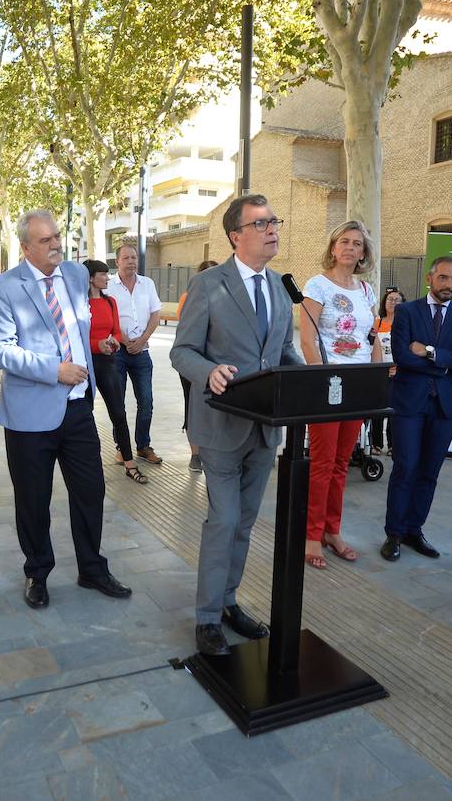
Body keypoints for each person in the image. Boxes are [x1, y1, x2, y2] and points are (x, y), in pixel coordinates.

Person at [171, 194, 302, 656]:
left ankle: (228, 603)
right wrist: (209, 371)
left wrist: (306, 376)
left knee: (244, 523)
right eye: (261, 223)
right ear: (236, 235)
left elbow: (284, 351)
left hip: (266, 429)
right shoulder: (209, 284)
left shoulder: (280, 288)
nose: (272, 229)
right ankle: (207, 618)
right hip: (221, 427)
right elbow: (181, 350)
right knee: (223, 520)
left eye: (274, 221)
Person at [0, 209, 133, 609]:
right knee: (33, 500)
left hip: (78, 409)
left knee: (91, 491)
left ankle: (93, 569)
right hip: (30, 415)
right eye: (46, 240)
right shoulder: (4, 287)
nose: (55, 245)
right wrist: (55, 370)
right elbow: (0, 350)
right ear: (25, 246)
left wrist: (95, 349)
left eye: (57, 237)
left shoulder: (72, 274)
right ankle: (37, 572)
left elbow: (77, 327)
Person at [381, 255, 452, 562]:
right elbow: (402, 356)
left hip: (445, 405)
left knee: (429, 472)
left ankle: (414, 530)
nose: (449, 285)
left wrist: (429, 352)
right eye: (444, 278)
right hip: (409, 403)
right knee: (406, 467)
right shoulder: (407, 311)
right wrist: (450, 360)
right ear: (430, 278)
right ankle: (394, 533)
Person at [297, 221, 383, 569]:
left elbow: (373, 337)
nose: (350, 248)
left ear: (364, 253)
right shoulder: (316, 285)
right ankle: (311, 536)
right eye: (343, 241)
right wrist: (321, 380)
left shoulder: (366, 291)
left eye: (357, 243)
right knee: (321, 464)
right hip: (328, 384)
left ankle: (333, 530)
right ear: (333, 248)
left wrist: (378, 377)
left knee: (341, 464)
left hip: (359, 383)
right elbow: (307, 340)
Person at [85, 259, 148, 485]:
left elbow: (116, 331)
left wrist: (113, 341)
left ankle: (130, 463)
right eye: (103, 274)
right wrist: (96, 345)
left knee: (118, 413)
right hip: (86, 365)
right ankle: (88, 464)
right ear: (91, 277)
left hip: (108, 362)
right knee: (85, 415)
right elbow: (76, 336)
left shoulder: (110, 302)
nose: (107, 277)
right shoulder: (80, 303)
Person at [107, 243, 163, 465]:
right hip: (117, 352)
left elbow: (155, 315)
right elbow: (105, 317)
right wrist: (122, 338)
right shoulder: (108, 287)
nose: (131, 261)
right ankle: (122, 448)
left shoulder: (147, 284)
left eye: (134, 258)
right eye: (126, 258)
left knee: (146, 401)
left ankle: (143, 446)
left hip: (142, 352)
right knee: (117, 403)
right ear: (117, 262)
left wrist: (142, 341)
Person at [178, 259, 218, 473]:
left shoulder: (228, 298)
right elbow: (185, 327)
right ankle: (196, 455)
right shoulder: (191, 296)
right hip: (194, 361)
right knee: (192, 407)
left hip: (218, 363)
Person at [370, 287, 405, 455]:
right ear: (385, 302)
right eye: (390, 299)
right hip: (378, 372)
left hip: (398, 372)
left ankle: (393, 444)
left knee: (394, 410)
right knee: (377, 409)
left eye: (397, 300)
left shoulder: (406, 323)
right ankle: (376, 444)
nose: (393, 302)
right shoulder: (377, 322)